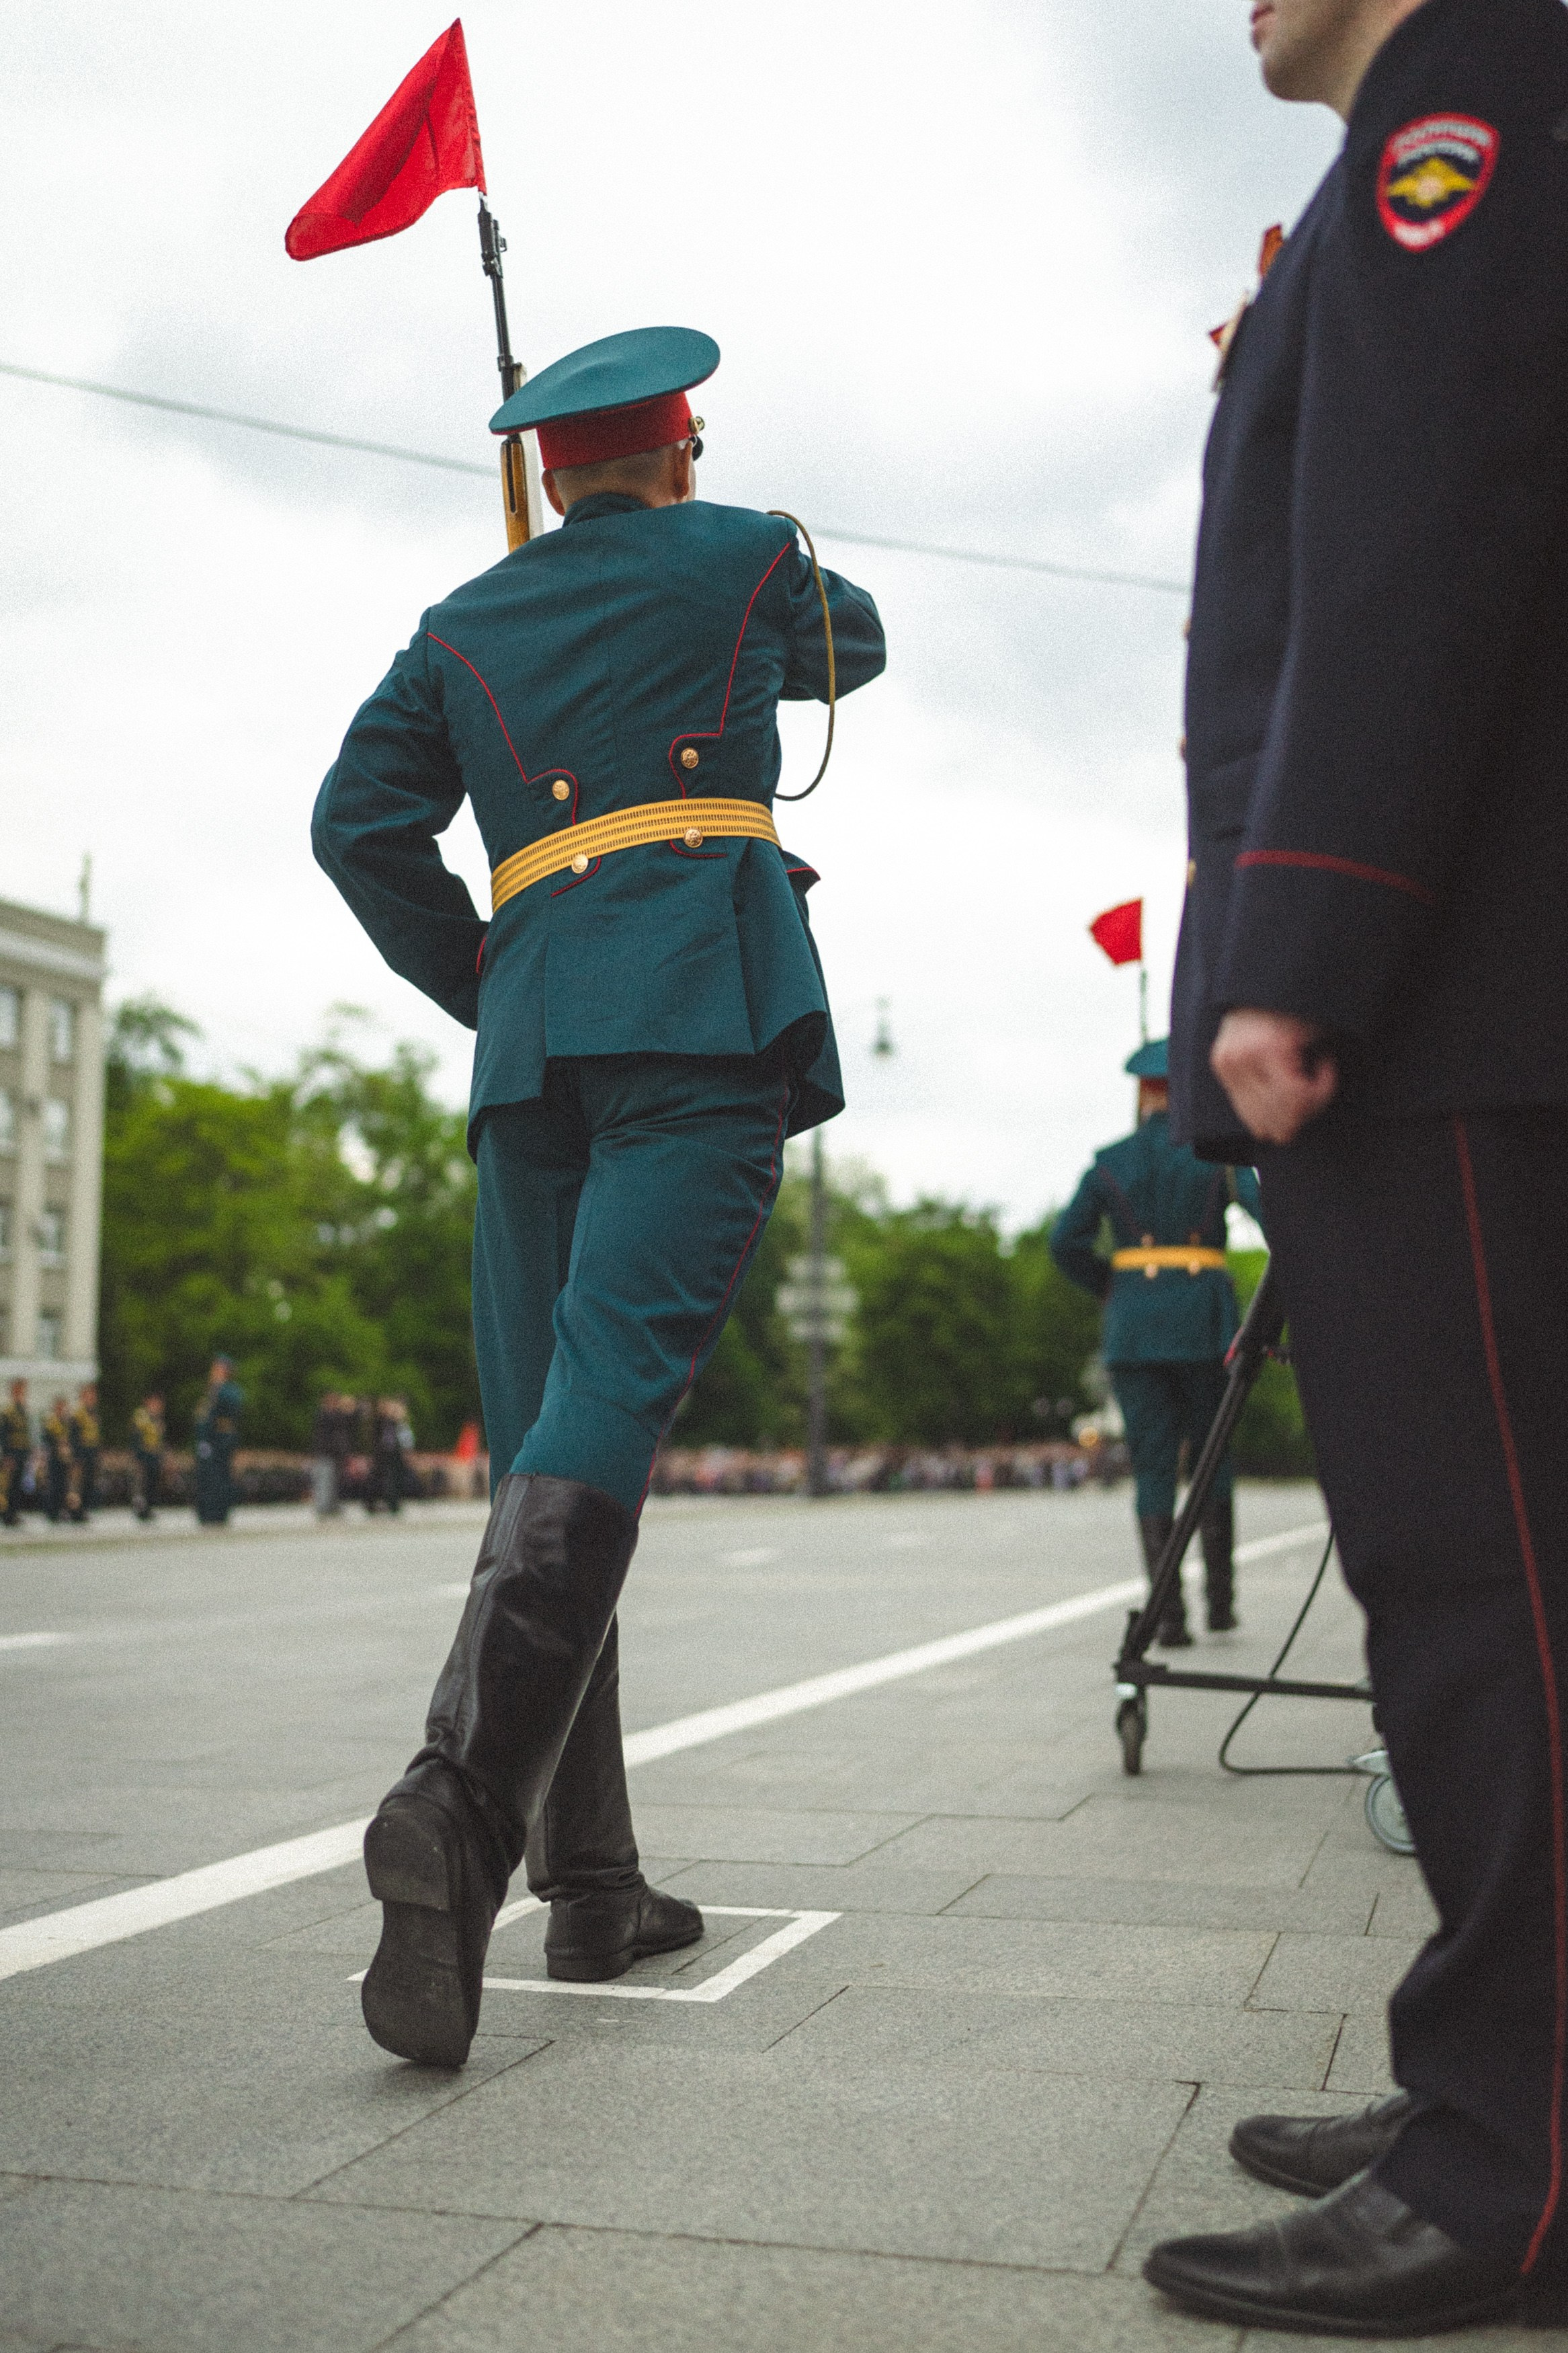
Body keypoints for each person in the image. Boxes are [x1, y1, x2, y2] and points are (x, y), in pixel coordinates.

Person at [312, 323, 885, 2066]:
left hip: (536, 1035)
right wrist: (725, 550)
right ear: (682, 447)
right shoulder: (748, 552)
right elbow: (856, 642)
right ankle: (456, 1812)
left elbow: (353, 825)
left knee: (556, 1437)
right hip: (699, 1005)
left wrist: (491, 978)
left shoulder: (461, 625)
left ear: (547, 471)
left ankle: (598, 1877)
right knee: (608, 1415)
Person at [1145, 0, 1568, 2332]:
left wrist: (1303, 942)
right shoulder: (1419, 140)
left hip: (1457, 988)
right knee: (1488, 1580)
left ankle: (1515, 2155)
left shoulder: (1466, 88)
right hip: (1474, 973)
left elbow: (1428, 524)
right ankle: (1505, 2068)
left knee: (1488, 1586)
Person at [1052, 1039, 1262, 1644]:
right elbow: (1268, 1216)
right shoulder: (1219, 1156)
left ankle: (1167, 1617)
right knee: (1212, 1460)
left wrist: (1113, 1289)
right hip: (1205, 1328)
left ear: (1143, 1093)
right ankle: (1220, 1604)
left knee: (1151, 1469)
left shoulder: (1109, 1161)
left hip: (1135, 1335)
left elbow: (1065, 1243)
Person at [192, 1356, 243, 1527]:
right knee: (206, 1477)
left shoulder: (228, 1390)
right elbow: (203, 1417)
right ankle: (206, 1513)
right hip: (209, 1441)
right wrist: (202, 1440)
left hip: (222, 1440)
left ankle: (219, 1513)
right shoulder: (210, 1391)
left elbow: (235, 1404)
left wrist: (219, 1387)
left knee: (221, 1478)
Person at [310, 1390, 350, 1518]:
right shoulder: (323, 1416)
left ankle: (333, 1506)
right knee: (324, 1481)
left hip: (337, 1454)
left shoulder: (339, 1416)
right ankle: (323, 1508)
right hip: (326, 1453)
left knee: (335, 1482)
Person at [64, 1384, 99, 1524]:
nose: (92, 1398)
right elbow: (73, 1437)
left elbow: (95, 1435)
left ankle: (83, 1510)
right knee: (76, 1485)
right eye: (89, 1395)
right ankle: (73, 1511)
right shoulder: (77, 1413)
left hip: (91, 1452)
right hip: (80, 1453)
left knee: (88, 1484)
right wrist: (76, 1456)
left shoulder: (93, 1413)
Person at [0, 1378, 31, 1527]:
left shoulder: (24, 1410)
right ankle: (7, 1515)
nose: (22, 1393)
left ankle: (14, 1513)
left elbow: (26, 1434)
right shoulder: (8, 1412)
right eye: (19, 1390)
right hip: (12, 1454)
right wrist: (7, 1456)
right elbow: (4, 1435)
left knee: (18, 1485)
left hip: (22, 1453)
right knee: (9, 1486)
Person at [131, 1393, 165, 1522]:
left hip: (154, 1454)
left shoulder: (157, 1418)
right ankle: (141, 1509)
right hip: (144, 1454)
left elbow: (159, 1439)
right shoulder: (142, 1416)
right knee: (142, 1484)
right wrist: (138, 1456)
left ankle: (149, 1508)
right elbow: (137, 1437)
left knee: (152, 1483)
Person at [40, 1394, 72, 1523]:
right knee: (53, 1484)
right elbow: (46, 1438)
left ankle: (61, 1510)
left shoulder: (66, 1421)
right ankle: (51, 1512)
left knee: (63, 1485)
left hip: (64, 1458)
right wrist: (58, 1444)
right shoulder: (51, 1421)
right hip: (54, 1457)